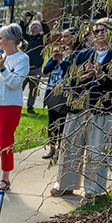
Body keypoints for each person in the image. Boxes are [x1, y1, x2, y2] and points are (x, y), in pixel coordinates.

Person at [51, 19, 112, 200]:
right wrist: (81, 78)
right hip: (78, 107)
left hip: (101, 108)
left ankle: (94, 189)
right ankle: (65, 185)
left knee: (97, 149)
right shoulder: (82, 55)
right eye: (97, 31)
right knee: (70, 147)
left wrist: (101, 75)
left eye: (104, 30)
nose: (100, 34)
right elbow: (68, 79)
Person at [0, 23, 30, 191]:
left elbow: (15, 83)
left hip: (10, 105)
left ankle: (5, 178)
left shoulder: (22, 58)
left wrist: (2, 69)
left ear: (11, 40)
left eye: (1, 38)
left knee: (6, 143)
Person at [41, 27, 79, 160]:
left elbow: (71, 73)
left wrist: (61, 61)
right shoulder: (57, 51)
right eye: (62, 37)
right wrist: (54, 58)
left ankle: (61, 149)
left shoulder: (76, 54)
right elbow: (45, 71)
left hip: (65, 93)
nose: (62, 39)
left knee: (63, 122)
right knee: (52, 122)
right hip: (52, 92)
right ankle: (52, 148)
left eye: (66, 36)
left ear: (74, 38)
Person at [21, 12, 52, 114]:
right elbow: (21, 32)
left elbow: (48, 33)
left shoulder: (42, 39)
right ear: (30, 28)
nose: (35, 26)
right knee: (19, 88)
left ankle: (30, 107)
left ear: (40, 28)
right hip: (24, 68)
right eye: (33, 25)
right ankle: (17, 105)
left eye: (37, 25)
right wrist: (23, 19)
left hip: (36, 69)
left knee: (33, 90)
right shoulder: (27, 38)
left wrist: (41, 19)